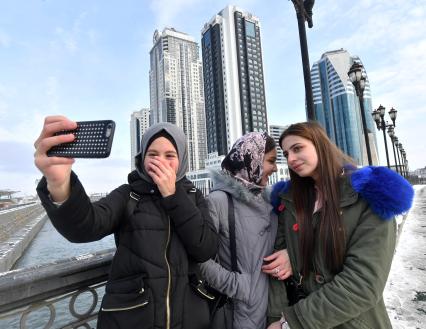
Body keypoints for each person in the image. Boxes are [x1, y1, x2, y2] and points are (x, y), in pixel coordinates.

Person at [34, 116, 218, 329]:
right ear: (141, 158)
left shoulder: (194, 196)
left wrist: (173, 196)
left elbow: (206, 248)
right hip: (132, 318)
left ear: (183, 160)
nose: (161, 162)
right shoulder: (128, 195)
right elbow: (86, 226)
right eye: (153, 154)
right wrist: (59, 183)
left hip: (189, 318)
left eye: (170, 156)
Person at [267, 122, 414, 329]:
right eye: (286, 153)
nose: (290, 159)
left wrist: (292, 323)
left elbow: (363, 283)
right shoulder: (290, 201)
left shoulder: (369, 196)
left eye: (298, 148)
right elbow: (277, 269)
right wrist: (275, 318)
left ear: (320, 145)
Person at [200, 131, 287, 329]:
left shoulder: (270, 202)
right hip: (238, 312)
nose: (275, 168)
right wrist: (238, 286)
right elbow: (200, 259)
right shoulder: (219, 201)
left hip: (274, 313)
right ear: (252, 159)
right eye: (271, 161)